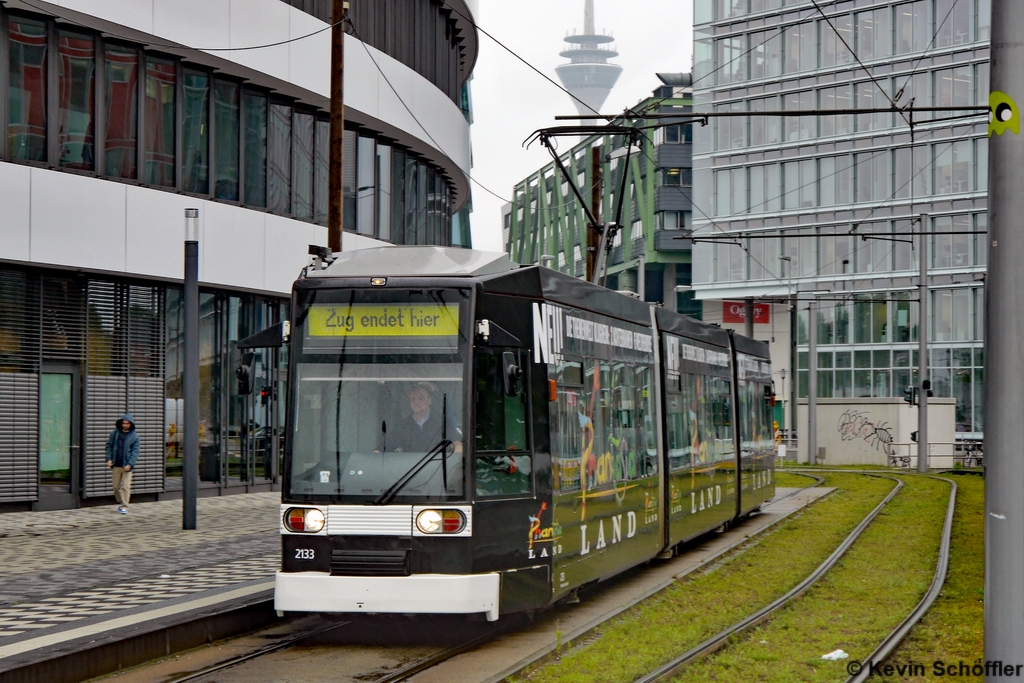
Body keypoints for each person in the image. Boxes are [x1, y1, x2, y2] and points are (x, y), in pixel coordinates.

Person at [387, 384, 462, 453]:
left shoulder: (443, 423)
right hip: (411, 467)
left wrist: (457, 448)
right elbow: (387, 445)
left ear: (429, 400)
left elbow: (456, 442)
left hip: (438, 466)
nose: (417, 402)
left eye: (421, 398)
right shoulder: (402, 425)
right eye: (413, 399)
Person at [105, 413, 139, 515]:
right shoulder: (114, 434)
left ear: (131, 424)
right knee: (116, 487)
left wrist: (130, 464)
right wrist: (109, 459)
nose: (125, 425)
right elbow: (109, 446)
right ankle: (120, 501)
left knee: (125, 486)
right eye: (124, 423)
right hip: (116, 464)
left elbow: (135, 452)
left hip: (127, 465)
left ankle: (124, 506)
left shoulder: (134, 437)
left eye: (127, 423)